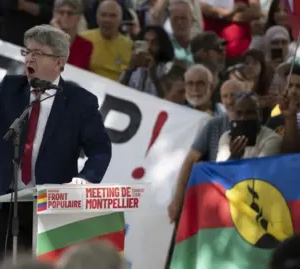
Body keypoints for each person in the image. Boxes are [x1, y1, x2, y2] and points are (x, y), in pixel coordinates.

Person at [0, 25, 112, 264]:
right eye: (27, 52)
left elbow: (100, 149)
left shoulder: (80, 102)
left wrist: (86, 178)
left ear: (59, 63)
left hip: (51, 205)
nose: (29, 57)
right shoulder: (11, 89)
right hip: (9, 200)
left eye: (38, 53)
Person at [168, 79, 246, 223]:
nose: (229, 101)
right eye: (225, 96)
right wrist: (177, 200)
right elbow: (190, 160)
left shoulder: (259, 125)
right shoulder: (214, 125)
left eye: (233, 96)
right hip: (216, 198)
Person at [216, 93, 282, 161]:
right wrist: (233, 157)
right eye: (239, 113)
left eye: (249, 112)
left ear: (260, 115)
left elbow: (261, 169)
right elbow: (220, 169)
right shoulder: (226, 137)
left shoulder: (272, 139)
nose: (243, 118)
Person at [81, 0, 133, 81]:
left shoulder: (129, 46)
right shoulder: (83, 39)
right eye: (103, 15)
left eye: (113, 16)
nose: (107, 20)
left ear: (120, 19)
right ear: (97, 17)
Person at [119, 25, 174, 97]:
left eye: (154, 43)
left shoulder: (168, 68)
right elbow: (119, 90)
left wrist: (154, 76)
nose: (149, 47)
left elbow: (168, 99)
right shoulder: (135, 67)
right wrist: (129, 70)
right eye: (146, 42)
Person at [51, 0, 93, 70]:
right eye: (61, 12)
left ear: (78, 17)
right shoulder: (44, 40)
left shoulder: (86, 45)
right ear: (54, 14)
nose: (65, 16)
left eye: (70, 13)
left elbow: (65, 69)